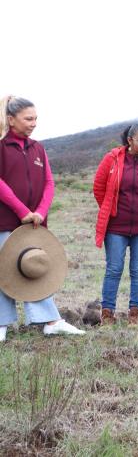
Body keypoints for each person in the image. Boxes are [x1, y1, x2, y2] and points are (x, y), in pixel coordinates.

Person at [0, 95, 85, 341]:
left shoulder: (38, 147)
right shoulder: (2, 147)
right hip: (6, 219)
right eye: (28, 118)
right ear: (11, 119)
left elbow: (49, 182)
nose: (34, 123)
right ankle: (2, 324)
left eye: (36, 118)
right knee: (4, 269)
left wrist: (41, 212)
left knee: (33, 266)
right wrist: (22, 211)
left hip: (34, 222)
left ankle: (50, 320)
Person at [93, 124, 138, 326]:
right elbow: (99, 188)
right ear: (130, 141)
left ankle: (134, 314)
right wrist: (111, 210)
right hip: (116, 227)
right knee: (114, 269)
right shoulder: (112, 159)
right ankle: (107, 314)